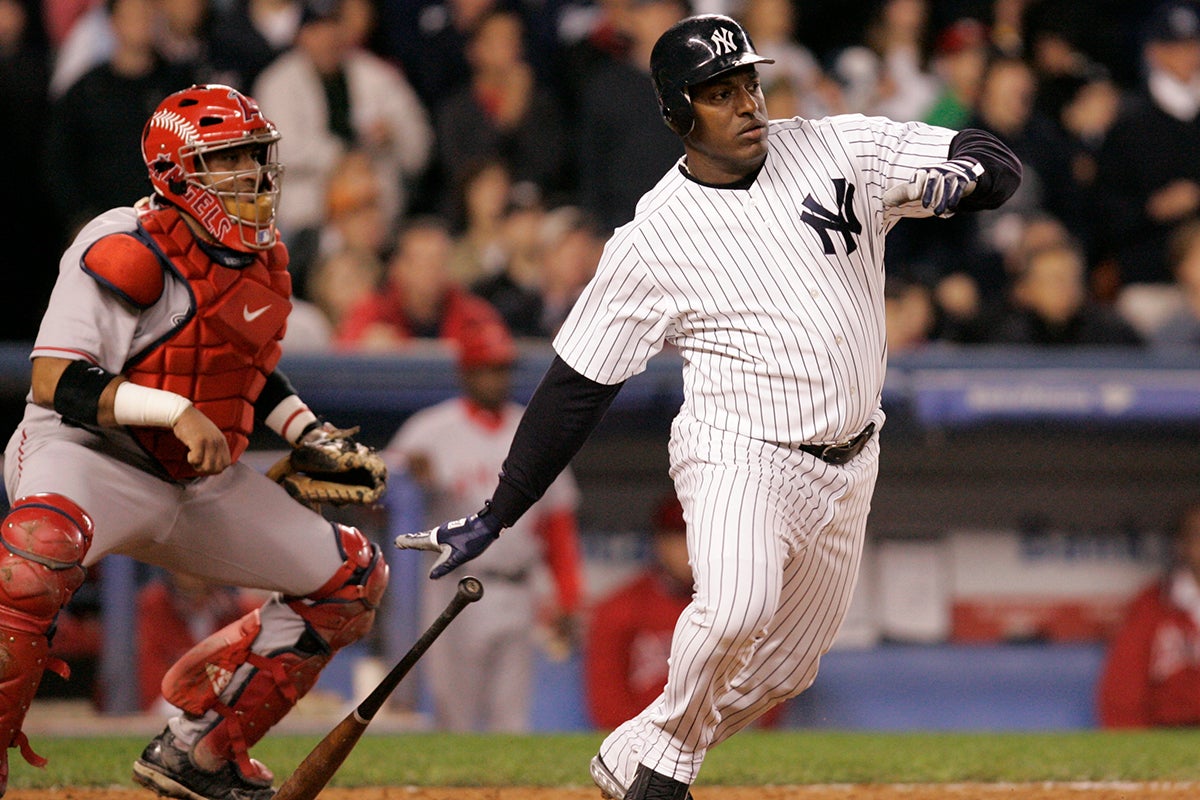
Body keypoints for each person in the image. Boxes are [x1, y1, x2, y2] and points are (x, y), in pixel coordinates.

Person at [396, 13, 1021, 800]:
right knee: (735, 608)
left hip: (852, 456)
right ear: (677, 114)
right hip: (740, 450)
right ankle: (665, 771)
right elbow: (578, 384)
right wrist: (501, 509)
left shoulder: (837, 147)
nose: (747, 103)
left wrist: (965, 180)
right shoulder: (653, 238)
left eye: (749, 83)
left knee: (790, 667)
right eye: (720, 93)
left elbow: (994, 157)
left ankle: (639, 750)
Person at [0, 84, 389, 800]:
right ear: (177, 173)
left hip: (193, 481)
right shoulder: (123, 242)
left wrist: (309, 433)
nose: (252, 176)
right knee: (37, 557)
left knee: (350, 579)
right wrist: (173, 411)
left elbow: (244, 373)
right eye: (228, 161)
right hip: (86, 457)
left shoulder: (261, 260)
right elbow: (58, 379)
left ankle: (198, 750)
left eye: (254, 158)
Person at [387, 317, 582, 731]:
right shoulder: (429, 430)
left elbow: (557, 523)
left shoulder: (532, 429)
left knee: (511, 722)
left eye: (502, 368)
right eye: (487, 368)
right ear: (467, 371)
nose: (496, 378)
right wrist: (407, 476)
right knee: (452, 718)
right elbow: (381, 504)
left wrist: (568, 593)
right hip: (451, 586)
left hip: (516, 587)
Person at [585, 493, 692, 730]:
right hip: (642, 743)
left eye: (700, 536)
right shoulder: (619, 608)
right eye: (680, 537)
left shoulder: (743, 609)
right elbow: (607, 704)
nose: (691, 548)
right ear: (660, 542)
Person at [1097, 502, 1200, 727]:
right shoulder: (1152, 603)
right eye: (1198, 536)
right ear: (1182, 545)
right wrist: (1127, 744)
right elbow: (1123, 686)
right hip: (1170, 735)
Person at [137, 571, 260, 714]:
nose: (191, 570)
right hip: (173, 716)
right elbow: (154, 691)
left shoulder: (242, 611)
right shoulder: (154, 606)